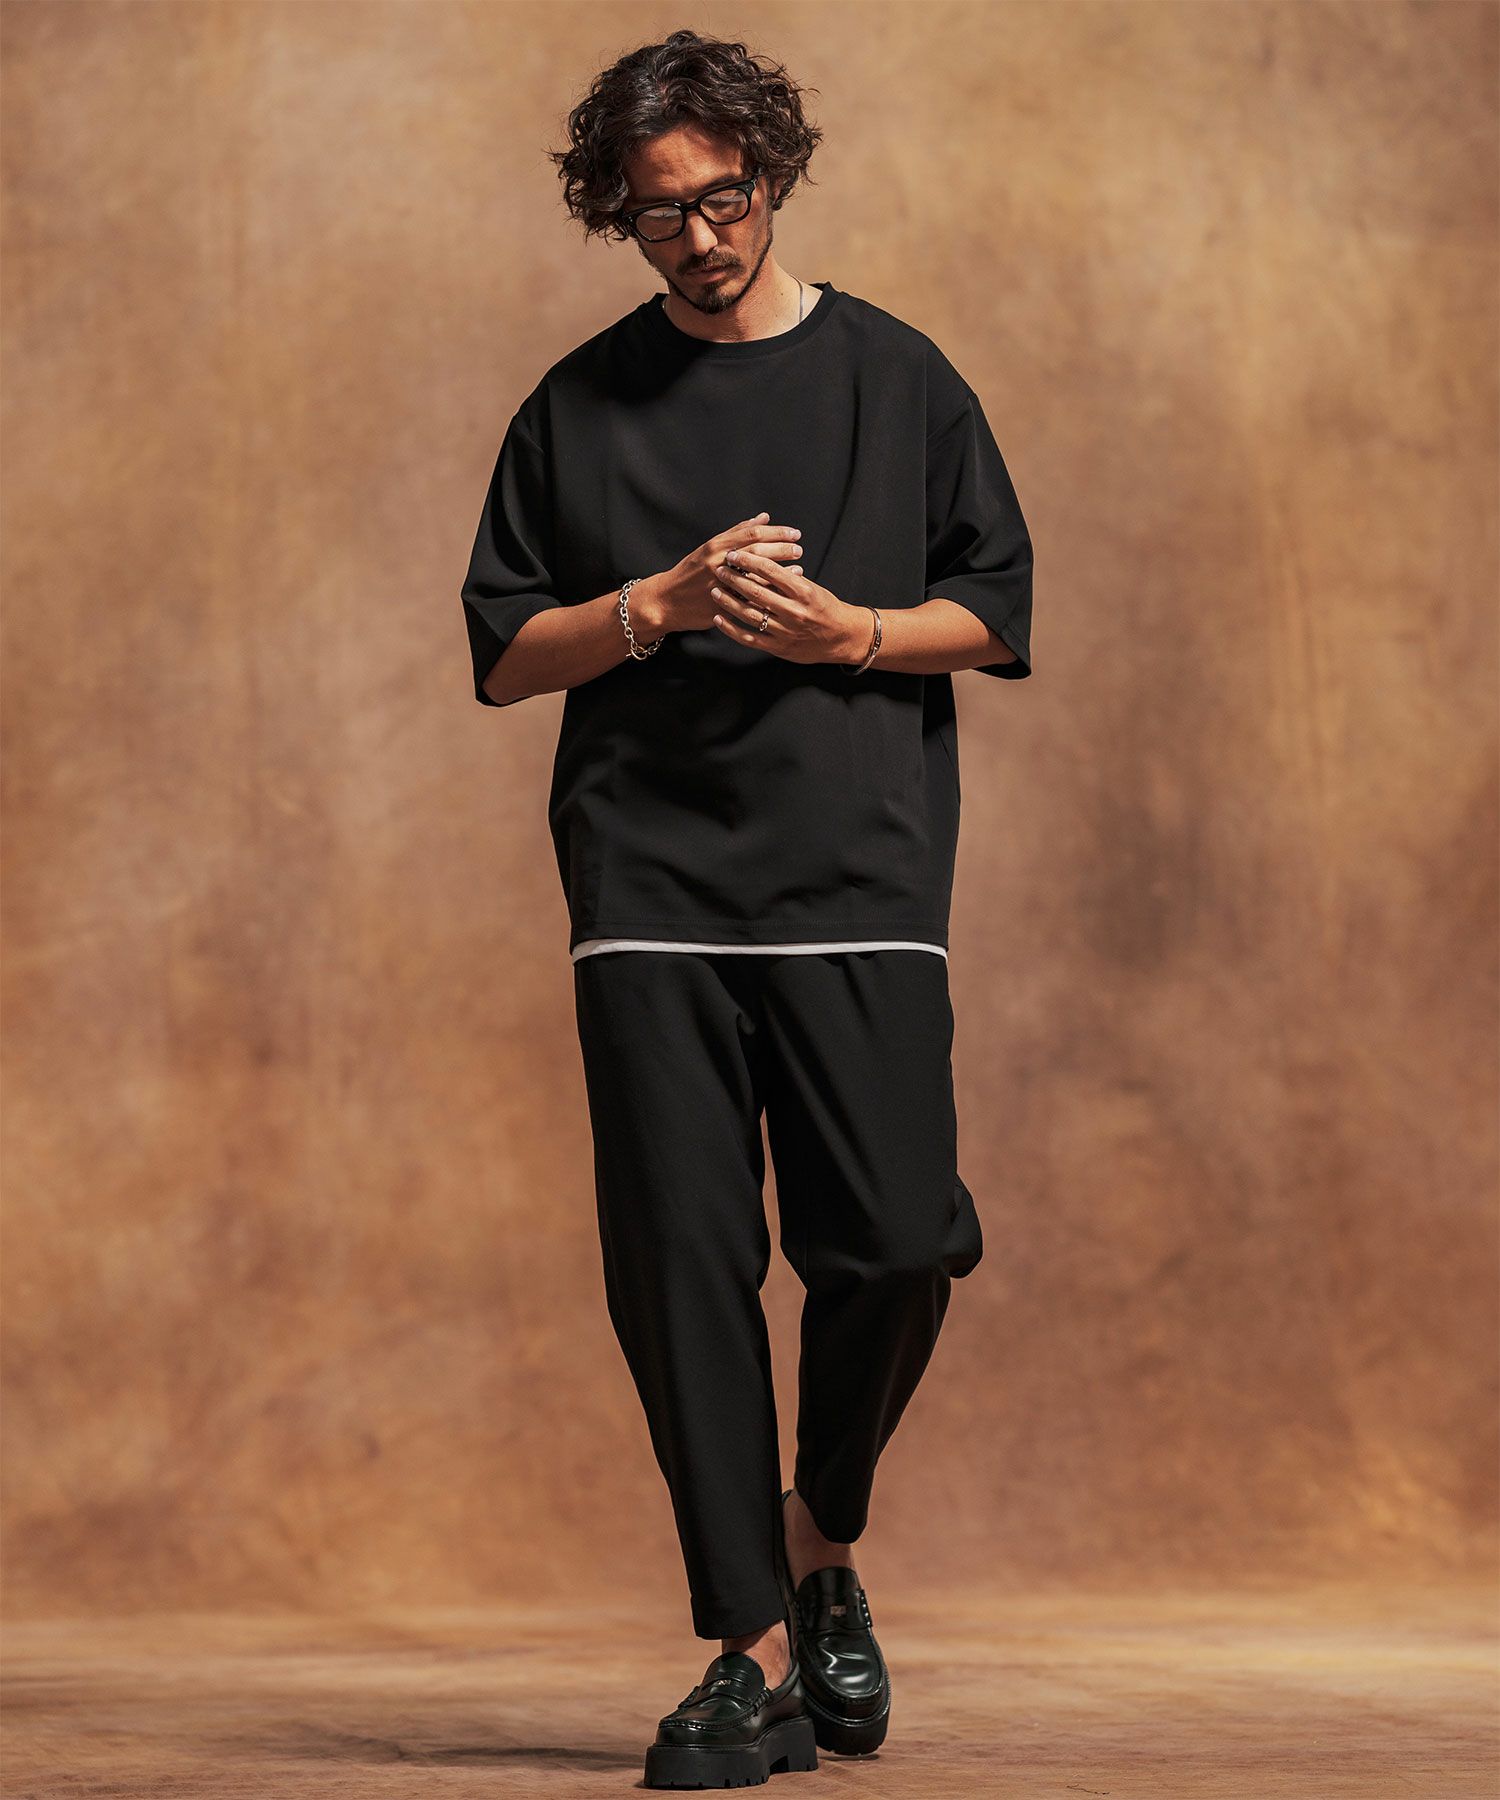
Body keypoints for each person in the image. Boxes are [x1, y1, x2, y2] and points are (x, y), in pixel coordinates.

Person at [458, 26, 1034, 1790]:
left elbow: (995, 604)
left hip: (861, 872)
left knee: (897, 1239)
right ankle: (749, 1650)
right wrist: (662, 603)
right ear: (618, 217)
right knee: (681, 1260)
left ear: (770, 178)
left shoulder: (899, 377)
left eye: (724, 200)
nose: (701, 238)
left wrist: (852, 632)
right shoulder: (575, 407)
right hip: (649, 884)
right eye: (661, 216)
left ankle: (818, 1534)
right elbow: (506, 653)